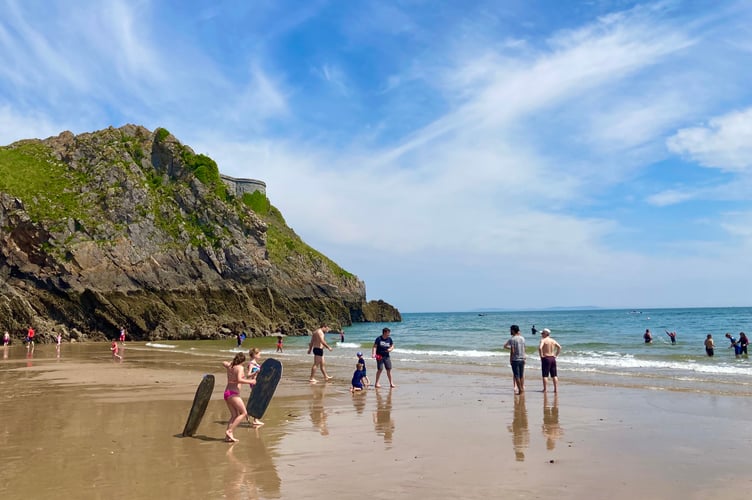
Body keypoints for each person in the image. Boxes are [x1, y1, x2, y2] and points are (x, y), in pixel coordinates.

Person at [222, 353, 258, 442]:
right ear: (242, 361)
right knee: (244, 413)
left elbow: (223, 362)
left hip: (227, 393)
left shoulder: (230, 366)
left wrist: (229, 363)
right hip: (233, 394)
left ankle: (227, 437)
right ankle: (230, 431)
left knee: (234, 415)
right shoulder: (240, 367)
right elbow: (239, 379)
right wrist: (251, 381)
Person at [504, 325, 526, 394]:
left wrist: (510, 359)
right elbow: (524, 349)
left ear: (513, 330)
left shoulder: (512, 339)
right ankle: (522, 388)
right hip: (522, 358)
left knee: (516, 375)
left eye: (510, 330)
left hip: (515, 359)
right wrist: (524, 357)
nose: (510, 331)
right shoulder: (522, 338)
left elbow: (512, 351)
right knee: (521, 375)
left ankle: (520, 390)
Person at [538, 328, 561, 393]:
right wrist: (556, 355)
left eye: (542, 333)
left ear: (546, 334)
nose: (541, 334)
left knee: (545, 375)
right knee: (554, 375)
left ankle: (545, 389)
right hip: (552, 358)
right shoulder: (553, 340)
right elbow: (559, 347)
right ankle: (556, 389)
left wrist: (541, 356)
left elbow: (540, 348)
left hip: (546, 358)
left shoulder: (543, 340)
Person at [245, 348, 264, 426]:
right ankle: (255, 419)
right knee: (257, 401)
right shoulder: (251, 364)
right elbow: (248, 375)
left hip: (258, 383)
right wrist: (255, 372)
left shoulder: (255, 363)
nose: (260, 355)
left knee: (256, 400)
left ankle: (249, 414)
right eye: (259, 354)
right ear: (254, 355)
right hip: (254, 383)